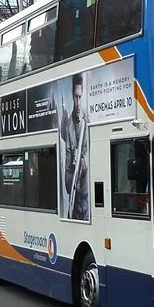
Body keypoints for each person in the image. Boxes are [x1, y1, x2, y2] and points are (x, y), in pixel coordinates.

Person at [64, 73, 89, 220]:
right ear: (72, 96)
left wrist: (82, 165)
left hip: (88, 209)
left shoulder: (89, 122)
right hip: (74, 210)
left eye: (80, 97)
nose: (78, 103)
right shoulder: (68, 126)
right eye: (75, 97)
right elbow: (67, 179)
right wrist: (73, 173)